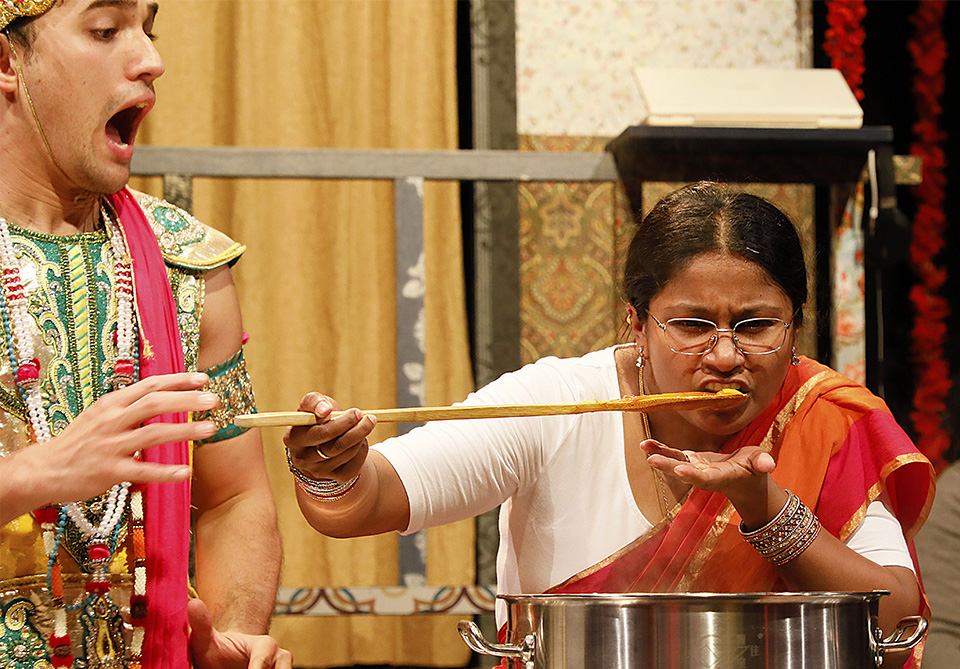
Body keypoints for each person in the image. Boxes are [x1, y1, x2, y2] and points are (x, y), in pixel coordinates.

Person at [284, 182, 934, 667]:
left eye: (757, 324)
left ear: (796, 326)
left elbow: (898, 613)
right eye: (692, 324)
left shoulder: (822, 414)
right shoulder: (563, 401)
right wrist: (334, 469)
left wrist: (764, 509)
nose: (727, 355)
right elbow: (366, 500)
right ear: (637, 323)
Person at [0, 1, 290, 667]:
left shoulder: (183, 264)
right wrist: (26, 476)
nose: (151, 61)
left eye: (147, 29)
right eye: (105, 30)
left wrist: (231, 637)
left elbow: (234, 497)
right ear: (7, 60)